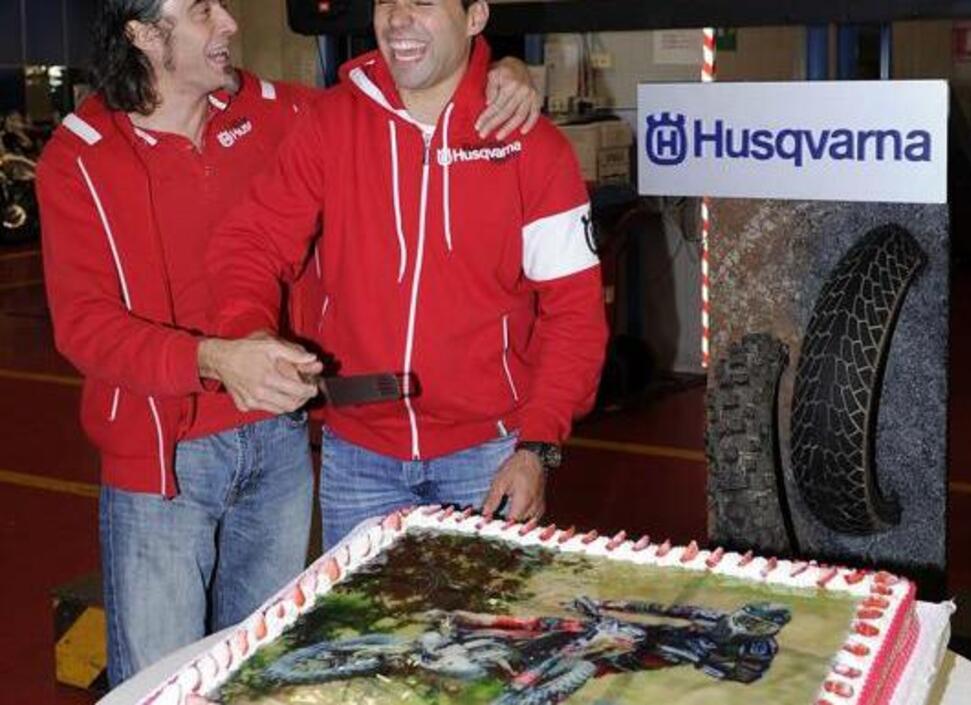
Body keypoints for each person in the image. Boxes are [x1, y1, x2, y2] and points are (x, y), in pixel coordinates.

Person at [35, 0, 540, 686]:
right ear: (144, 33)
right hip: (163, 462)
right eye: (203, 11)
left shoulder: (280, 113)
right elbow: (85, 326)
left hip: (278, 446)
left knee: (264, 672)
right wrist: (213, 358)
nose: (229, 24)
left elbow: (402, 84)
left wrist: (500, 71)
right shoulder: (80, 156)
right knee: (161, 682)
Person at [207, 0, 608, 550]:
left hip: (489, 458)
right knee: (361, 613)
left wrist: (538, 446)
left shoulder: (531, 146)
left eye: (422, 0)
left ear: (474, 17)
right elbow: (253, 241)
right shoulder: (330, 123)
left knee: (483, 611)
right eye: (386, 1)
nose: (398, 17)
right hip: (358, 457)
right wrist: (248, 331)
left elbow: (574, 314)